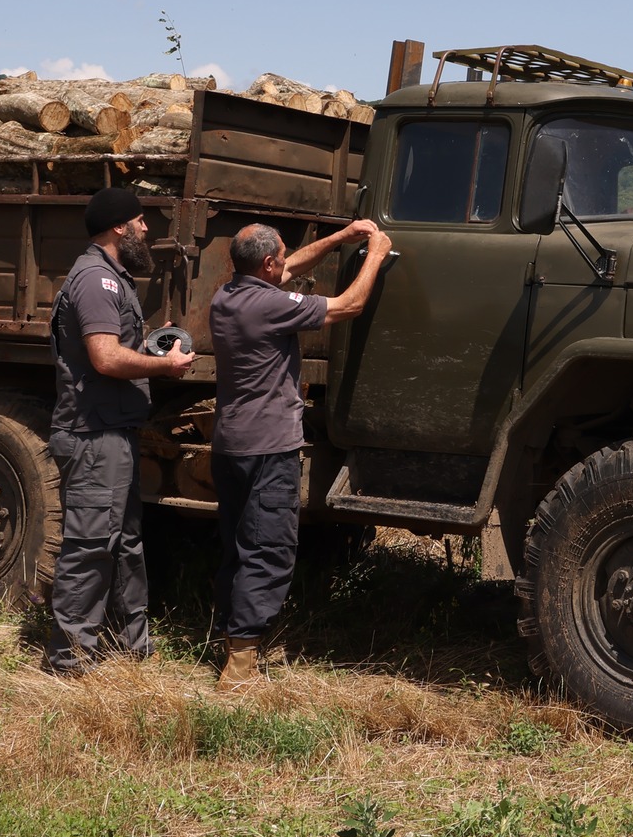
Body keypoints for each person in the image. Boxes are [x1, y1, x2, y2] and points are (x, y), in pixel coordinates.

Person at [209, 216, 392, 689]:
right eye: (281, 257)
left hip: (231, 444)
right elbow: (349, 305)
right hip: (269, 448)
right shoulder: (270, 306)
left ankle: (229, 637)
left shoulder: (229, 296)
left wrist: (338, 239)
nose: (286, 262)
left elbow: (285, 270)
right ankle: (241, 665)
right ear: (266, 264)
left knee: (238, 546)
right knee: (267, 549)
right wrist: (374, 255)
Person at [44, 185, 193, 676]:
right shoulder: (96, 281)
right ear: (117, 227)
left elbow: (113, 346)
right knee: (91, 545)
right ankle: (69, 662)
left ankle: (131, 649)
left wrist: (152, 347)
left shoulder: (113, 279)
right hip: (93, 437)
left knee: (123, 543)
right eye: (140, 220)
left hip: (112, 433)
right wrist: (163, 365)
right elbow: (105, 357)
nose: (147, 227)